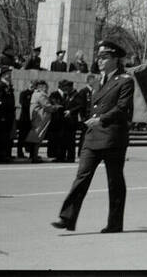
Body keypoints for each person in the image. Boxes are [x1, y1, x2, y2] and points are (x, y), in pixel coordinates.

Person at [53, 40, 134, 233]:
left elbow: (122, 108)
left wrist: (101, 119)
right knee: (82, 176)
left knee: (114, 181)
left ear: (115, 59)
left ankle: (115, 223)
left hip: (112, 137)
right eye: (99, 57)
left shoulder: (125, 81)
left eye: (105, 57)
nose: (100, 61)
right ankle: (67, 218)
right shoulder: (97, 81)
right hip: (92, 137)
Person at [0, 67, 16, 162]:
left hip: (8, 114)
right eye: (7, 73)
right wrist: (2, 115)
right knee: (1, 136)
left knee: (6, 136)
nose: (9, 75)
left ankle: (4, 154)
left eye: (10, 73)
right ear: (3, 75)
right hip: (2, 115)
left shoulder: (8, 85)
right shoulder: (1, 86)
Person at [25, 80, 55, 163]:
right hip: (40, 119)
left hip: (36, 119)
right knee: (37, 138)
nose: (47, 89)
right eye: (46, 87)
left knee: (35, 138)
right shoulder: (41, 95)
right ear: (41, 87)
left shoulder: (35, 94)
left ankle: (33, 155)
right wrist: (55, 107)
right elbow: (47, 106)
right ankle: (35, 157)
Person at [16, 83, 33, 159]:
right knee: (21, 137)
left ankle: (29, 151)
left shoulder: (34, 94)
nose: (32, 87)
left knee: (30, 136)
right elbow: (22, 103)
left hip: (32, 119)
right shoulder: (24, 93)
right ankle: (19, 152)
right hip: (24, 118)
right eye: (32, 85)